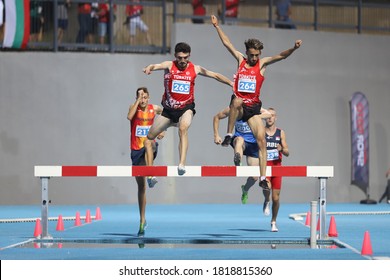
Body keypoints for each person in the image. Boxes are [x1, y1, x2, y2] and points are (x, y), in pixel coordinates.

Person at [211, 14, 301, 193]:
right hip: (239, 106)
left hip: (253, 109)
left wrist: (293, 48)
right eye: (251, 55)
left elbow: (281, 56)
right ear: (247, 53)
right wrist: (217, 26)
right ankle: (229, 134)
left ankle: (261, 178)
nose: (253, 58)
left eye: (256, 55)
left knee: (261, 142)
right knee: (236, 101)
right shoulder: (240, 60)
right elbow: (227, 43)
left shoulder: (262, 64)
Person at [143, 42, 233, 177]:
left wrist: (231, 83)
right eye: (179, 58)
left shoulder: (195, 69)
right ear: (175, 56)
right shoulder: (169, 65)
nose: (182, 61)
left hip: (186, 108)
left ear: (189, 56)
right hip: (168, 110)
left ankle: (181, 164)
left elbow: (214, 75)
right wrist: (149, 67)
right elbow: (156, 65)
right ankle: (150, 173)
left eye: (185, 58)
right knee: (149, 138)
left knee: (183, 128)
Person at [127, 87, 164, 237]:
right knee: (141, 188)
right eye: (140, 97)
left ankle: (150, 175)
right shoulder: (133, 107)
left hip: (148, 148)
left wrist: (163, 130)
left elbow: (167, 116)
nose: (143, 100)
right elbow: (130, 117)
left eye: (145, 97)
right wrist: (137, 100)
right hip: (136, 150)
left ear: (149, 98)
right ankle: (142, 219)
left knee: (151, 144)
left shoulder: (154, 108)